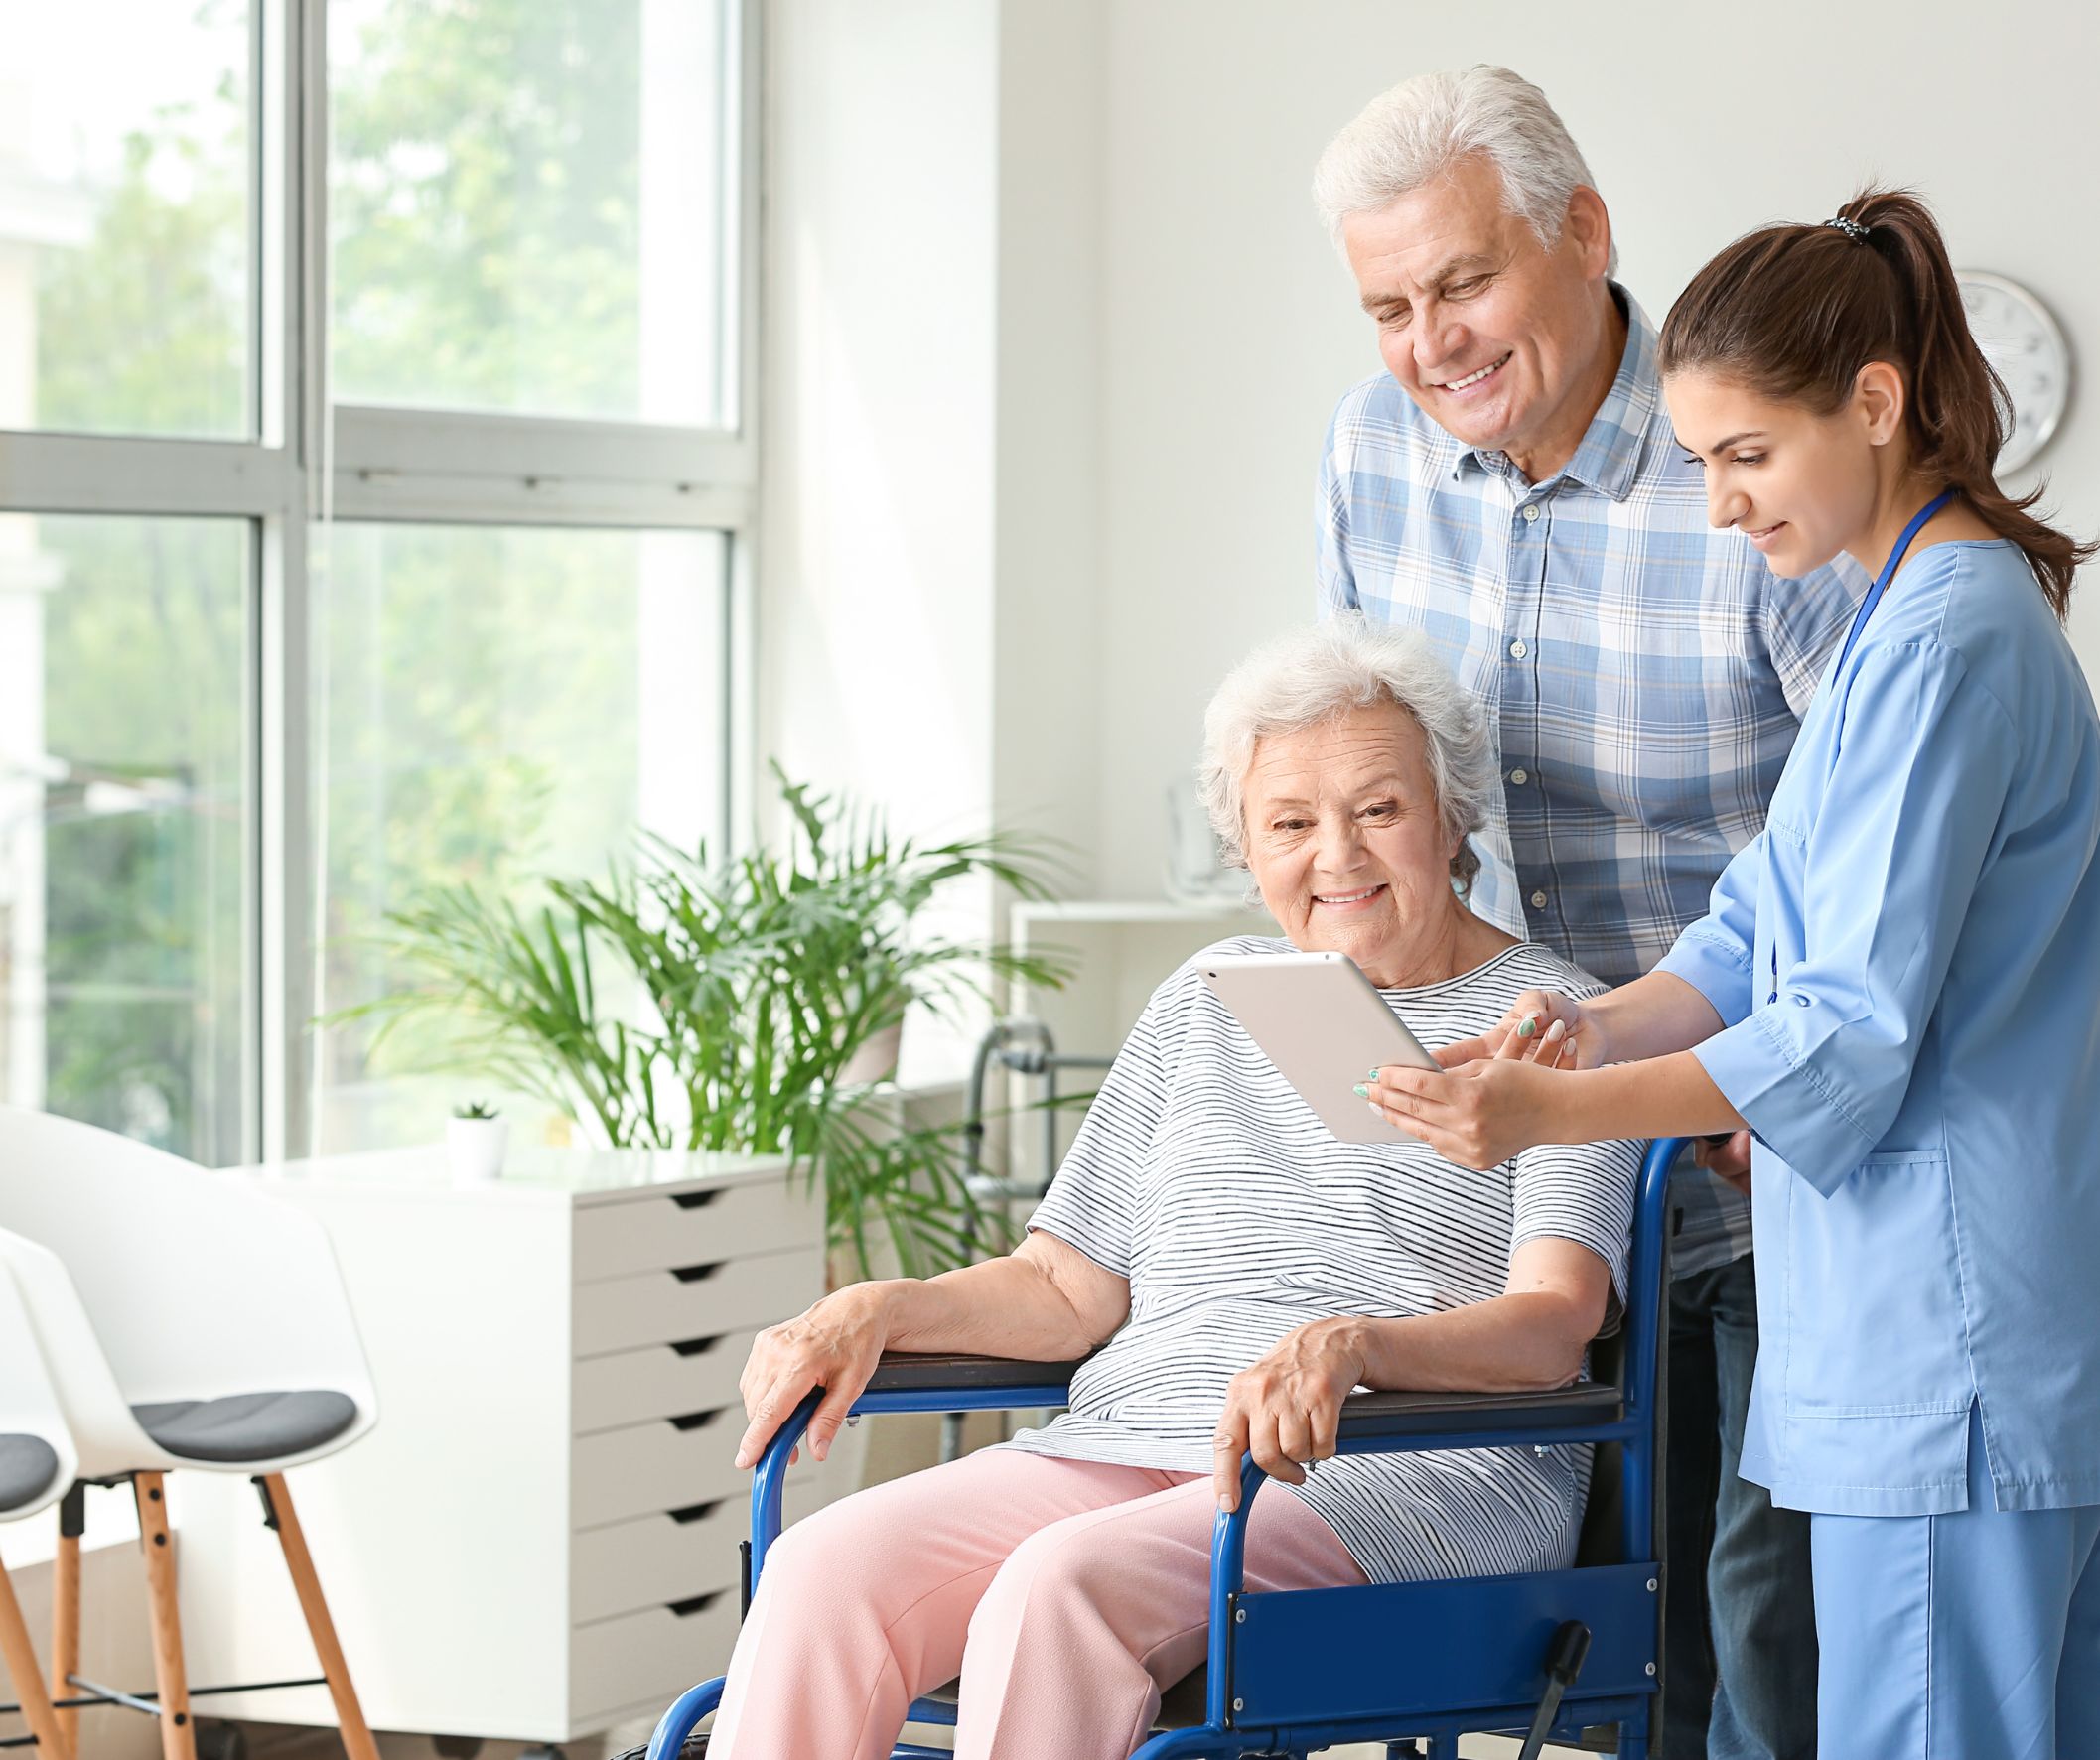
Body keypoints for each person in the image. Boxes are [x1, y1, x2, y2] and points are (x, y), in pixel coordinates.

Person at [1367, 188, 2100, 1760]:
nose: (1717, 509)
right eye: (1697, 461)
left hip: (1943, 1338)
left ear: (1874, 405)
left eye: (1744, 456)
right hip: (1914, 1340)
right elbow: (1749, 930)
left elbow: (1835, 1033)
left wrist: (1548, 1120)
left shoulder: (1946, 642)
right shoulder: (1886, 621)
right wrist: (1571, 1032)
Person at [703, 618, 1640, 1760]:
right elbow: (1065, 1287)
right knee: (823, 1567)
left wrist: (1359, 1348)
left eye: (1379, 810)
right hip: (1137, 1437)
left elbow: (1553, 1328)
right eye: (1290, 824)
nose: (1335, 856)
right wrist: (878, 1307)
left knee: (1059, 1586)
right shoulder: (1211, 994)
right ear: (1246, 847)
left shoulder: (1561, 1025)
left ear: (1453, 818)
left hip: (1399, 1466)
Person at [1309, 68, 1861, 1757]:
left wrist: (1762, 1088)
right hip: (1527, 1177)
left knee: (1763, 1653)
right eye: (1391, 305)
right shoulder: (1373, 452)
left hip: (1757, 1153)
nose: (1433, 342)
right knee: (1587, 1657)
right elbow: (1373, 783)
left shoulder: (1753, 462)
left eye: (1464, 281)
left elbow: (1880, 830)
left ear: (1587, 232)